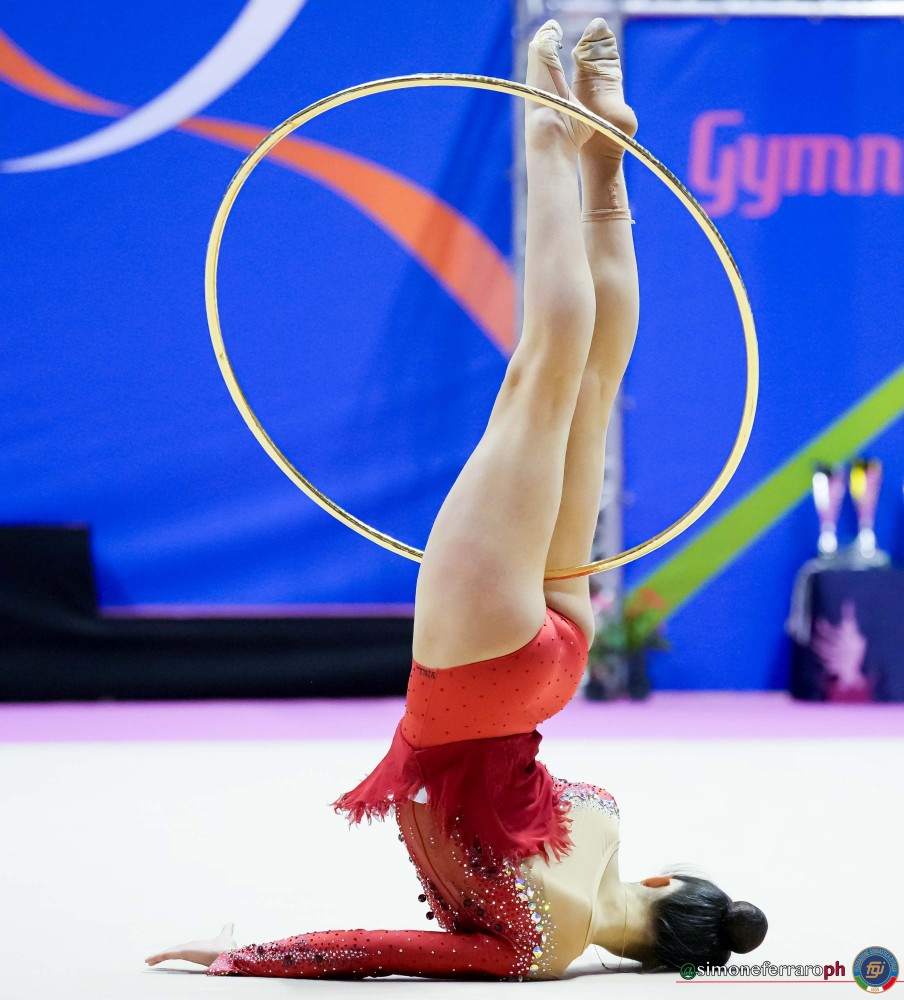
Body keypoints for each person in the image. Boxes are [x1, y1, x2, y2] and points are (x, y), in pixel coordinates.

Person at [145, 18, 767, 981]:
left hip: (552, 668)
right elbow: (379, 949)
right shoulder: (539, 951)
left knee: (591, 382)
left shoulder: (603, 815)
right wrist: (248, 957)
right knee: (541, 375)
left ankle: (602, 162)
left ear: (659, 884)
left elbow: (517, 788)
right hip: (474, 675)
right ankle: (548, 131)